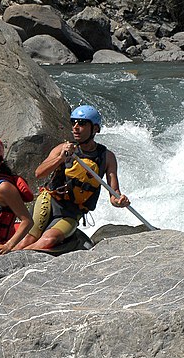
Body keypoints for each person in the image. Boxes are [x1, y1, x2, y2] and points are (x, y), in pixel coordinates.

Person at [15, 105, 130, 251]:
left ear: (95, 129)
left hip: (72, 212)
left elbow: (114, 194)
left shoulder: (107, 157)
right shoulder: (63, 148)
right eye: (74, 122)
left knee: (48, 240)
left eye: (81, 124)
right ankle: (8, 258)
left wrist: (120, 201)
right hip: (49, 200)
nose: (75, 127)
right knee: (29, 238)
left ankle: (20, 258)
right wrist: (61, 158)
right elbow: (39, 173)